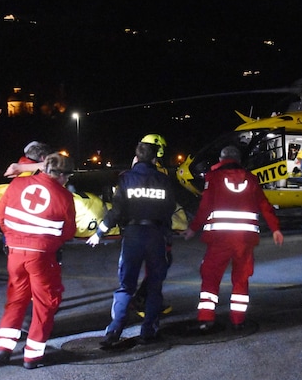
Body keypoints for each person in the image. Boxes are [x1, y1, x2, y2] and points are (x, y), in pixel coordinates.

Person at [183, 145, 284, 331]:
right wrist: (275, 229)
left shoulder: (212, 177)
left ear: (221, 159)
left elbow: (205, 206)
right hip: (245, 239)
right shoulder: (251, 179)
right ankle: (238, 319)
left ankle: (206, 318)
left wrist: (193, 228)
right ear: (238, 160)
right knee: (241, 278)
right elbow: (264, 205)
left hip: (219, 239)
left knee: (210, 276)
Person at [87, 141, 176, 347]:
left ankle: (115, 330)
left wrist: (100, 232)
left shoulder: (126, 179)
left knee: (126, 286)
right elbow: (169, 208)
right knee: (154, 287)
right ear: (155, 159)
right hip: (156, 237)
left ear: (136, 158)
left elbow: (116, 211)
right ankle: (148, 331)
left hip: (133, 237)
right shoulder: (163, 180)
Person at [0, 152, 76, 369]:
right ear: (60, 175)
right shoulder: (64, 196)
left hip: (15, 253)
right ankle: (32, 355)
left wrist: (13, 237)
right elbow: (68, 231)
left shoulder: (18, 185)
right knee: (45, 303)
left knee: (16, 298)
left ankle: (4, 347)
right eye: (67, 176)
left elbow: (1, 215)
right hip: (41, 257)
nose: (67, 180)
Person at [131, 133, 174, 317]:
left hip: (141, 228)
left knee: (158, 265)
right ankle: (144, 301)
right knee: (157, 265)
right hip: (152, 228)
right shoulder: (152, 171)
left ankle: (145, 298)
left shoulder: (137, 169)